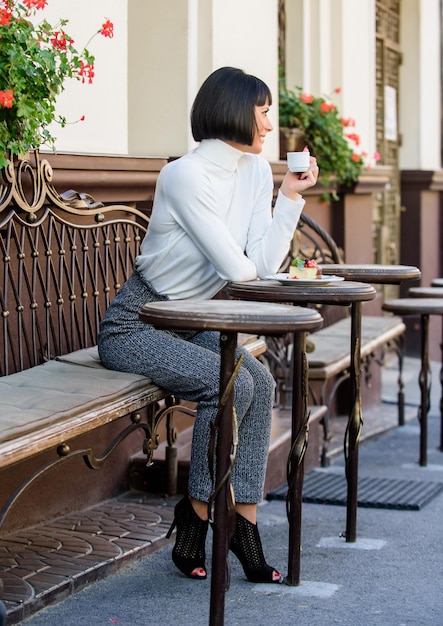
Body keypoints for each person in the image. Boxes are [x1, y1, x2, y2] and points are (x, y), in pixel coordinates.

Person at [98, 66, 319, 583]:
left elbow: (262, 265)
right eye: (263, 111)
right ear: (234, 111)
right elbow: (237, 269)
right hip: (137, 325)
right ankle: (200, 514)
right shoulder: (185, 175)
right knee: (228, 381)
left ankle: (239, 523)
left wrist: (287, 195)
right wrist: (251, 255)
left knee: (258, 384)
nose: (270, 124)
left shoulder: (256, 172)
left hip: (190, 319)